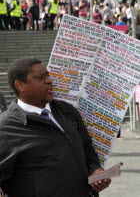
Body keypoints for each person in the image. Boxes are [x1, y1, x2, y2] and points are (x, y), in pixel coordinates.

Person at [0, 58, 111, 197]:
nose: (49, 81)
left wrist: (95, 170)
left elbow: (87, 147)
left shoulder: (67, 111)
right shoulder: (5, 128)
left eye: (48, 75)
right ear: (20, 85)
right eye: (41, 78)